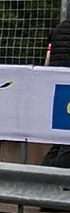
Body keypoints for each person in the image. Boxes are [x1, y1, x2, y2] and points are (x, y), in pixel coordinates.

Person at [45, 14, 70, 168]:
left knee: (59, 141)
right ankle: (54, 181)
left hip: (58, 88)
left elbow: (48, 60)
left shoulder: (59, 28)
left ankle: (42, 176)